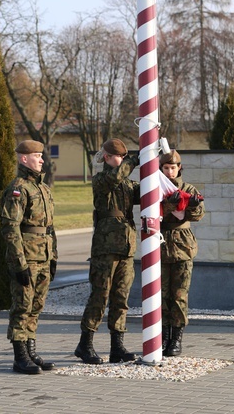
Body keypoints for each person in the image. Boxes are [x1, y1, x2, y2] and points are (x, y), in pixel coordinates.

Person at [75, 138, 140, 365]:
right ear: (106, 157)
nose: (121, 160)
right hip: (105, 248)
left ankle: (117, 347)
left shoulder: (127, 184)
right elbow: (114, 177)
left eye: (124, 157)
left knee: (121, 298)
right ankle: (85, 344)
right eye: (117, 157)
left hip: (126, 247)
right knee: (100, 296)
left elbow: (146, 194)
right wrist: (133, 161)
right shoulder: (102, 179)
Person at [1, 140, 58, 375]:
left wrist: (53, 257)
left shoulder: (43, 188)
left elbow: (50, 227)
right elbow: (10, 227)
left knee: (36, 305)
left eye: (41, 155)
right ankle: (20, 356)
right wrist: (18, 263)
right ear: (24, 159)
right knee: (22, 306)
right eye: (37, 155)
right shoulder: (18, 188)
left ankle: (31, 350)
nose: (42, 159)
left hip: (43, 256)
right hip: (27, 257)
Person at [159, 149, 205, 357]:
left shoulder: (188, 188)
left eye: (173, 168)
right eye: (166, 168)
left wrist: (193, 206)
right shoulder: (156, 188)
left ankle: (176, 339)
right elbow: (153, 210)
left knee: (179, 295)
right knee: (161, 296)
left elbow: (198, 215)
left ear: (179, 168)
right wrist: (169, 203)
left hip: (183, 247)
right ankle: (163, 337)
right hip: (160, 247)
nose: (169, 172)